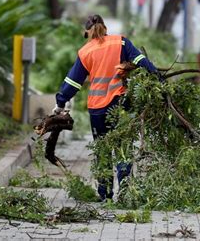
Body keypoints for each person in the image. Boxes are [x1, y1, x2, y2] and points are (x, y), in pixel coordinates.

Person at [53, 14, 157, 201]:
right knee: (123, 148)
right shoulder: (121, 43)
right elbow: (142, 62)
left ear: (88, 32)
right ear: (105, 28)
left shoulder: (86, 52)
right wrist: (158, 79)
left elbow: (73, 82)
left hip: (98, 109)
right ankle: (125, 193)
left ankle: (105, 195)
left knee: (102, 150)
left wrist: (60, 102)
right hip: (121, 105)